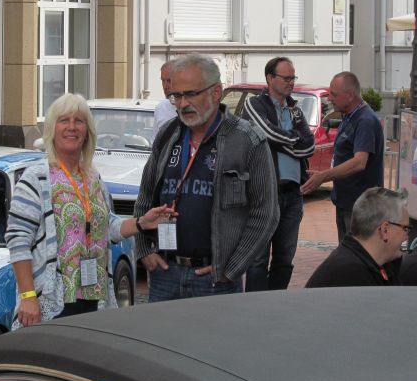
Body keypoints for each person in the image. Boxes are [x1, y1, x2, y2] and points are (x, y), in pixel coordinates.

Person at [6, 93, 173, 325]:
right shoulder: (36, 179)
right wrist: (28, 296)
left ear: (87, 132)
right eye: (64, 120)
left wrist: (141, 223)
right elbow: (18, 240)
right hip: (52, 303)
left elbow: (108, 226)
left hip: (93, 297)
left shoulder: (93, 178)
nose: (72, 127)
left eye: (79, 121)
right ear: (52, 129)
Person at [133, 53, 280, 301]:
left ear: (216, 92)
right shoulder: (168, 134)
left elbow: (266, 213)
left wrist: (231, 268)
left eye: (191, 94)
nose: (182, 104)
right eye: (176, 96)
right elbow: (145, 196)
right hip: (165, 274)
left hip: (215, 281)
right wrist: (144, 249)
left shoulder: (248, 140)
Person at [243, 57, 315, 291]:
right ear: (270, 78)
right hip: (265, 193)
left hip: (293, 194)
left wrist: (284, 142)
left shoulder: (295, 110)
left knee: (285, 258)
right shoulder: (254, 104)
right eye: (286, 78)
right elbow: (266, 133)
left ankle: (276, 302)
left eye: (293, 78)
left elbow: (310, 146)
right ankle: (255, 306)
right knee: (258, 258)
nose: (291, 82)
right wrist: (294, 139)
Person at [302, 72, 384, 241]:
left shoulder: (365, 120)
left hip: (360, 206)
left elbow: (359, 162)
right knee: (346, 252)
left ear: (350, 95)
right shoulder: (349, 116)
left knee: (356, 254)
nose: (330, 98)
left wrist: (324, 176)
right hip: (346, 202)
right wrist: (321, 175)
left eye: (334, 94)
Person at [305, 187, 409, 288]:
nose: (406, 237)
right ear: (384, 230)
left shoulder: (375, 261)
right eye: (405, 228)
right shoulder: (350, 274)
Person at [153, 59, 177, 135]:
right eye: (163, 81)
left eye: (169, 81)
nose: (165, 86)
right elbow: (156, 139)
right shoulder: (161, 108)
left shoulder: (194, 108)